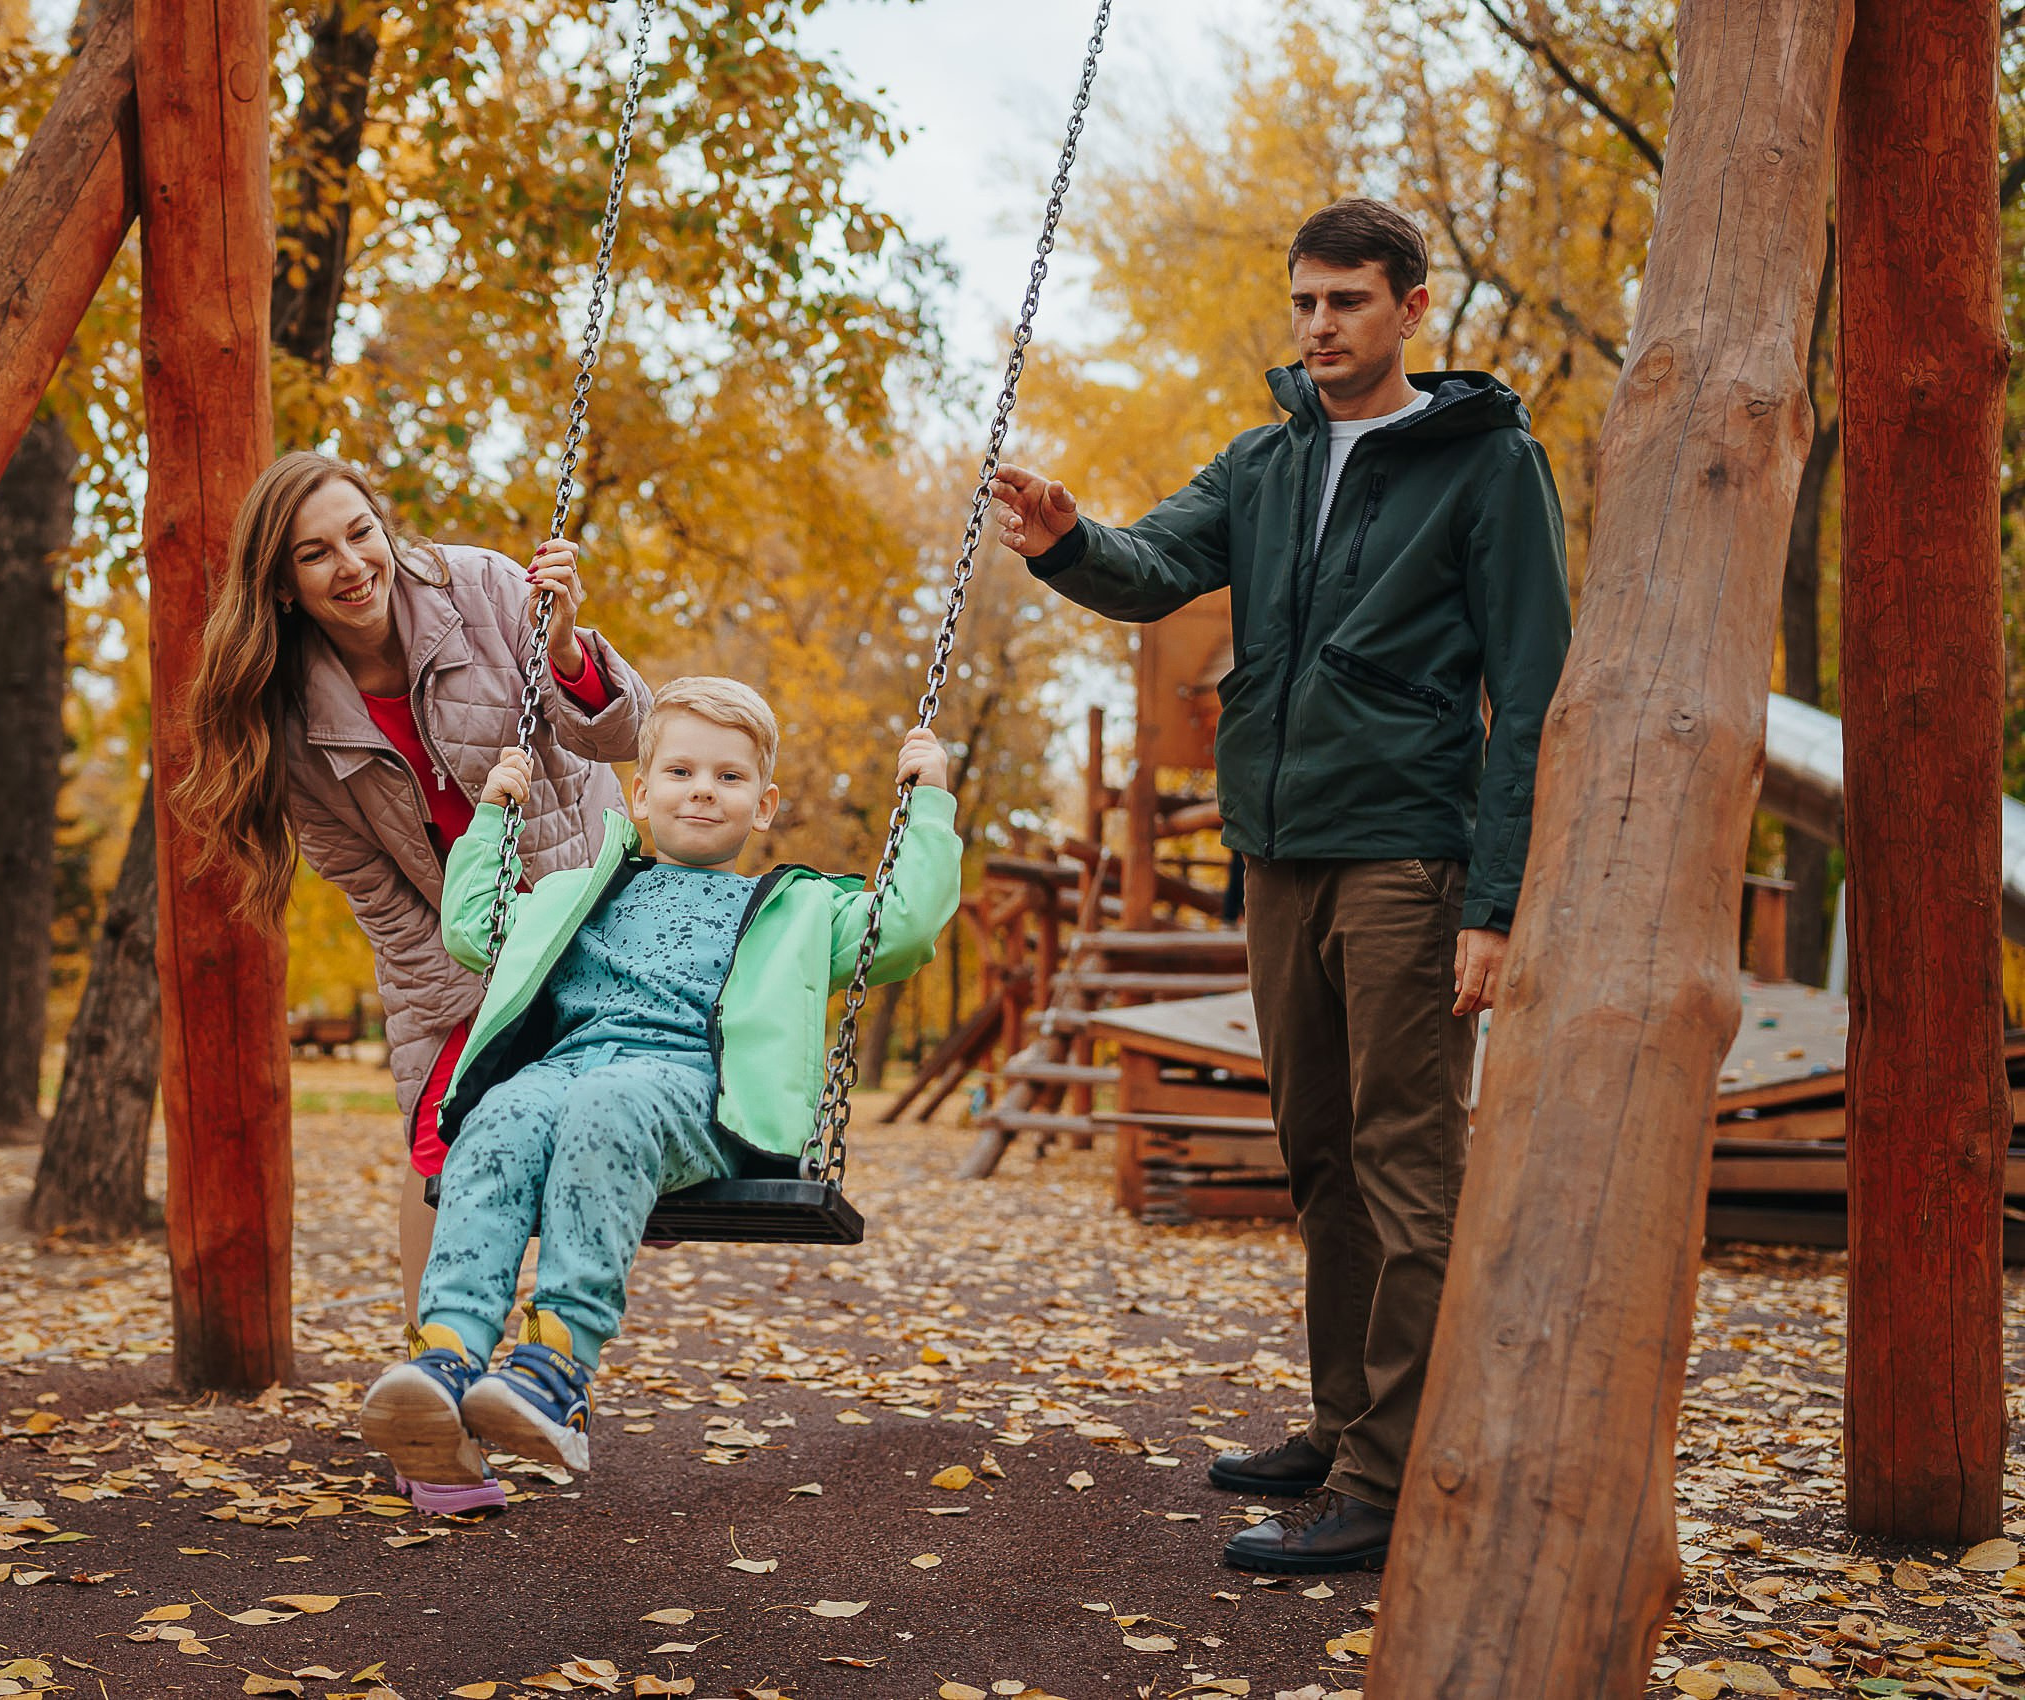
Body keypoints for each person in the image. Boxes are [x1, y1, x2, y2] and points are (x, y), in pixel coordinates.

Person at [992, 198, 1570, 1574]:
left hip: (1404, 857)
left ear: (1411, 309)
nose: (1318, 325)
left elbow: (1536, 688)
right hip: (1277, 854)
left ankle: (1388, 1469)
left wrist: (1495, 903)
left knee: (1403, 1162)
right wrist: (1071, 539)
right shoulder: (1262, 461)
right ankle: (1342, 1420)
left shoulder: (1485, 467)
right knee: (1317, 1154)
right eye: (1304, 301)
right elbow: (1152, 571)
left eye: (1347, 301)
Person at [175, 450, 650, 1516]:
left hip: (583, 915)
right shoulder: (294, 718)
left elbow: (621, 734)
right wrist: (477, 985)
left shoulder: (485, 590)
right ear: (282, 583)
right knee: (444, 1136)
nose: (350, 565)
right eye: (315, 553)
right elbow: (373, 887)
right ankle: (431, 1398)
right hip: (450, 951)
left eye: (359, 532)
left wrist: (570, 649)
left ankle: (539, 1372)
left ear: (384, 527)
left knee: (580, 1122)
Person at [357, 678, 961, 1488]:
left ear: (765, 804)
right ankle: (448, 1356)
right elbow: (474, 929)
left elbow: (907, 926)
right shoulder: (580, 894)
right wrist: (494, 816)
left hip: (694, 1095)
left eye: (729, 777)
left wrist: (929, 806)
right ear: (640, 793)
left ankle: (556, 1369)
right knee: (497, 1112)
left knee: (610, 1103)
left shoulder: (798, 910)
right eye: (680, 772)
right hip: (569, 1072)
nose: (703, 790)